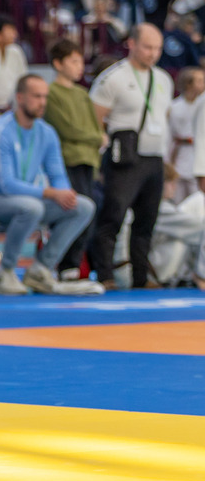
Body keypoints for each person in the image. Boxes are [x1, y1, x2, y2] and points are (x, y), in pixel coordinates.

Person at [0, 74, 102, 296]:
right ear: (20, 98)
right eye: (36, 96)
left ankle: (41, 269)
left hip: (27, 201)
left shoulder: (46, 132)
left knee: (82, 206)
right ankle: (6, 271)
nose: (42, 102)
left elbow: (58, 175)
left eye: (45, 97)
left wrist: (65, 193)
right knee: (32, 207)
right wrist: (50, 193)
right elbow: (6, 185)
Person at [90, 24, 173, 290]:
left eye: (157, 48)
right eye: (148, 47)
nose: (153, 53)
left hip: (154, 157)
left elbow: (163, 117)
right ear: (132, 44)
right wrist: (103, 148)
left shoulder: (163, 79)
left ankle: (141, 276)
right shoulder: (113, 78)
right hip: (124, 157)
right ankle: (105, 274)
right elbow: (94, 119)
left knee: (147, 220)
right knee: (113, 216)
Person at [42, 39, 105, 279]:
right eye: (74, 61)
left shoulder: (82, 94)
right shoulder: (51, 93)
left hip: (88, 161)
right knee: (71, 211)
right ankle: (65, 265)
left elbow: (95, 127)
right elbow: (67, 129)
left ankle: (76, 265)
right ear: (58, 64)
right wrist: (95, 138)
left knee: (90, 214)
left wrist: (95, 139)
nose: (79, 67)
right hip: (67, 162)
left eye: (81, 61)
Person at [168, 67, 204, 204]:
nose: (203, 84)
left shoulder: (202, 103)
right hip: (179, 154)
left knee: (198, 200)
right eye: (199, 81)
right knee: (177, 199)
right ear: (188, 83)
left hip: (198, 154)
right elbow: (169, 135)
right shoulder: (174, 106)